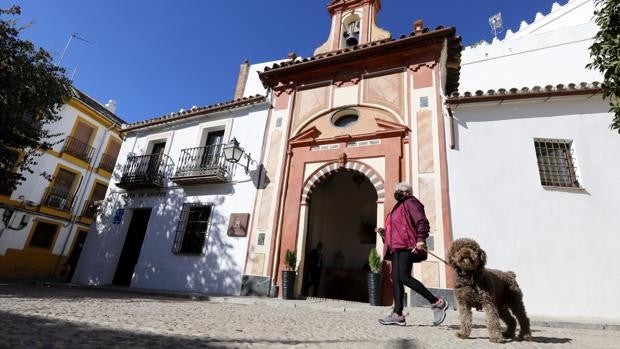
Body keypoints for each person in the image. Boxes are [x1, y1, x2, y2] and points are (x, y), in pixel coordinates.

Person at [376, 182, 449, 326]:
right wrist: (385, 233)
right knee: (395, 278)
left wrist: (421, 239)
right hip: (396, 247)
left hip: (407, 246)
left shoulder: (411, 202)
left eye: (400, 190)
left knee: (403, 276)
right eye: (396, 189)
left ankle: (437, 302)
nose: (396, 192)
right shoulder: (398, 207)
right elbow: (397, 228)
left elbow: (422, 222)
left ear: (408, 192)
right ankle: (398, 314)